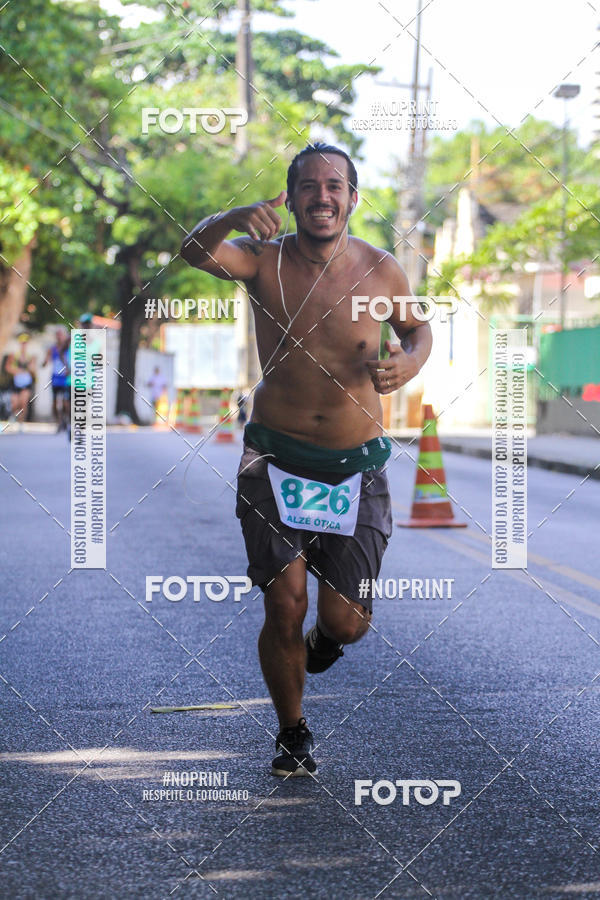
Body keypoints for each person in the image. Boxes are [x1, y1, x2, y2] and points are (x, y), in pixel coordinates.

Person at [181, 142, 432, 777]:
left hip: (358, 463)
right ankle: (292, 730)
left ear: (353, 198)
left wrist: (412, 359)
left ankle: (326, 642)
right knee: (284, 601)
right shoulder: (263, 261)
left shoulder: (383, 271)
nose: (323, 196)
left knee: (347, 624)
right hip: (274, 455)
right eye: (309, 186)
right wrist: (233, 216)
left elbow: (418, 329)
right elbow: (194, 251)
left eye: (335, 186)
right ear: (290, 199)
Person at [43, 328, 71, 432]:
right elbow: (45, 361)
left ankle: (64, 420)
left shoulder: (69, 348)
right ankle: (58, 422)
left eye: (61, 335)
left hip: (65, 379)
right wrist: (44, 362)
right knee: (54, 403)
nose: (59, 337)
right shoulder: (52, 349)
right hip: (55, 378)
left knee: (65, 402)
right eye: (57, 335)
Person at [7, 333, 36, 425]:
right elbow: (8, 367)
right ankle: (14, 415)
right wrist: (17, 370)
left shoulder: (30, 356)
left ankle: (21, 422)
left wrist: (31, 369)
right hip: (16, 382)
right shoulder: (14, 355)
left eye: (25, 343)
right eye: (22, 343)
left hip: (26, 383)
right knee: (15, 403)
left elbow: (33, 370)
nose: (24, 345)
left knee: (23, 403)